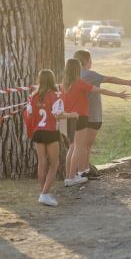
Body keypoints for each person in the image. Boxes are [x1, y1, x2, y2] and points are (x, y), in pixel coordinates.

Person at [73, 50, 131, 177]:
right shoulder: (88, 74)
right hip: (92, 115)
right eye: (90, 60)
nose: (91, 62)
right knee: (86, 145)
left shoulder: (72, 76)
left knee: (82, 145)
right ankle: (82, 171)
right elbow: (109, 79)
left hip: (78, 115)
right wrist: (127, 82)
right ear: (86, 61)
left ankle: (85, 168)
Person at [62, 59, 131, 187]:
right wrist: (118, 95)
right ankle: (72, 177)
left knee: (72, 147)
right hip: (80, 117)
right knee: (78, 147)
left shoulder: (64, 85)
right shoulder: (79, 83)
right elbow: (100, 91)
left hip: (68, 118)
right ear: (77, 69)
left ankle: (68, 176)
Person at [26, 69, 78, 206]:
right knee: (54, 164)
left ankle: (43, 192)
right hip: (50, 131)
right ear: (52, 80)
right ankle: (45, 194)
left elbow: (29, 113)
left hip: (38, 131)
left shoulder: (33, 96)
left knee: (42, 162)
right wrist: (72, 114)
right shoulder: (55, 96)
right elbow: (58, 115)